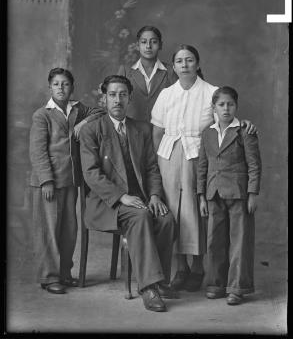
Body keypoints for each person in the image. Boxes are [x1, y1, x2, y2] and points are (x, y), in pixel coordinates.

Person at [151, 44, 257, 292]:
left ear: (198, 64)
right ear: (173, 67)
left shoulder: (211, 92)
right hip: (168, 157)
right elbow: (157, 132)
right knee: (173, 211)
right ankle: (180, 268)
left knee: (197, 211)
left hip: (199, 157)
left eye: (189, 60)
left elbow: (226, 119)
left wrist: (247, 124)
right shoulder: (166, 94)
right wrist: (161, 160)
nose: (185, 65)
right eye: (179, 61)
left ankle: (198, 267)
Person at [79, 75, 177, 312]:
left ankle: (160, 279)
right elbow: (91, 173)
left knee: (165, 219)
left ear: (129, 98)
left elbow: (152, 168)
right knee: (139, 216)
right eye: (112, 95)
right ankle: (149, 287)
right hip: (107, 202)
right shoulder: (92, 129)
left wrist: (154, 196)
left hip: (140, 198)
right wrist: (121, 197)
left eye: (123, 94)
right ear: (104, 98)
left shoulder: (140, 128)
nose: (117, 100)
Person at [29, 67, 104, 295]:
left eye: (65, 84)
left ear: (72, 87)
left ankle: (64, 273)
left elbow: (101, 112)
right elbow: (38, 151)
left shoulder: (77, 109)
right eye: (56, 84)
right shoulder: (42, 114)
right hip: (49, 182)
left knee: (69, 231)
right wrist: (46, 181)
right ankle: (49, 277)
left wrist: (82, 123)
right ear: (50, 87)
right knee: (49, 231)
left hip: (72, 180)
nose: (61, 88)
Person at [197, 86, 261, 305]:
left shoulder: (244, 131)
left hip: (239, 194)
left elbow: (254, 165)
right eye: (221, 104)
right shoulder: (207, 133)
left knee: (239, 241)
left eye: (230, 104)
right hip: (214, 193)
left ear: (236, 106)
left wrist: (253, 194)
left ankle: (237, 287)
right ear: (214, 108)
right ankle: (215, 283)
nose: (226, 108)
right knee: (215, 241)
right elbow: (202, 167)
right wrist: (201, 196)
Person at [118, 25, 177, 121]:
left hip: (163, 131)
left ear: (160, 45)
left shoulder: (171, 71)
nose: (148, 46)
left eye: (154, 42)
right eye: (144, 42)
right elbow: (115, 101)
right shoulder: (125, 70)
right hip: (131, 130)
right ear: (137, 46)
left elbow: (179, 103)